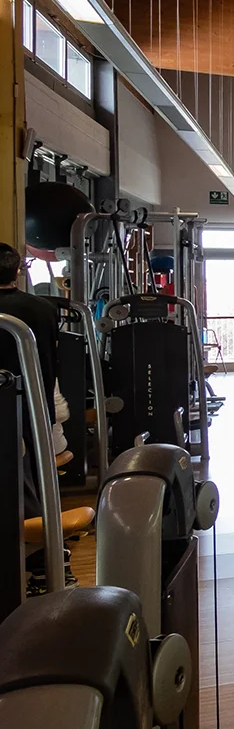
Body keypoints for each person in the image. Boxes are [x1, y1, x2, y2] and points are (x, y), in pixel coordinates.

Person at [0, 243, 70, 593]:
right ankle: (47, 561)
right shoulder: (42, 308)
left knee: (21, 477)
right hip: (36, 405)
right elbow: (53, 358)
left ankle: (43, 560)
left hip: (14, 410)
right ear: (17, 271)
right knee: (35, 477)